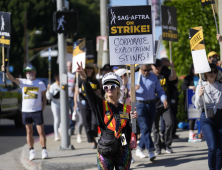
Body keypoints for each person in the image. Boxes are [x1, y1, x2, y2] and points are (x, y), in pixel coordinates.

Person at [76, 62, 138, 170]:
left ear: (118, 89)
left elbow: (129, 130)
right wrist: (84, 78)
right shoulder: (101, 105)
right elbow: (90, 95)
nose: (109, 88)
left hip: (123, 148)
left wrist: (134, 120)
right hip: (105, 148)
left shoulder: (126, 108)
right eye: (106, 87)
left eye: (112, 86)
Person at [1, 64, 48, 161]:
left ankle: (44, 150)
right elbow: (11, 78)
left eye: (30, 71)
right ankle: (32, 151)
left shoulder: (40, 83)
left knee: (41, 131)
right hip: (26, 111)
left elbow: (44, 97)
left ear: (35, 72)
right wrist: (6, 71)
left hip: (37, 111)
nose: (28, 73)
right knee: (29, 131)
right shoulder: (23, 81)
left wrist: (42, 108)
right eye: (27, 71)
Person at [135, 64, 167, 161]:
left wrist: (164, 99)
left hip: (152, 104)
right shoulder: (134, 76)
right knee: (144, 128)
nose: (147, 72)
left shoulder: (153, 77)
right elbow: (128, 92)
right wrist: (133, 90)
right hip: (140, 104)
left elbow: (159, 90)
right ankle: (150, 151)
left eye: (149, 70)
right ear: (141, 69)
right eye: (145, 70)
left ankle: (140, 148)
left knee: (148, 129)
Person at [195, 63, 222, 169]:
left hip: (219, 118)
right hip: (206, 119)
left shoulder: (220, 86)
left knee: (220, 149)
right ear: (205, 73)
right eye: (210, 71)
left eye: (215, 71)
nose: (212, 74)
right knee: (212, 147)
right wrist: (200, 96)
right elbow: (197, 105)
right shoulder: (201, 85)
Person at [74, 63, 102, 148]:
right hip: (84, 104)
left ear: (93, 70)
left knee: (94, 123)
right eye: (88, 68)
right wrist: (75, 104)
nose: (89, 69)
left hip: (93, 104)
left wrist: (101, 103)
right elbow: (76, 93)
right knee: (86, 124)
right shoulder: (80, 79)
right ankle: (92, 141)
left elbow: (98, 93)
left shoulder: (95, 81)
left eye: (91, 68)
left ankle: (94, 137)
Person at [151, 59, 175, 155]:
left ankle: (167, 144)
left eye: (159, 66)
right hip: (154, 105)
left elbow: (173, 78)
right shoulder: (149, 77)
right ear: (152, 67)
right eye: (156, 66)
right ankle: (157, 147)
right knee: (155, 128)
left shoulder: (164, 74)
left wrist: (172, 67)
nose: (158, 68)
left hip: (165, 104)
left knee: (170, 123)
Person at [182, 64, 202, 142]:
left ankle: (200, 133)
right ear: (192, 69)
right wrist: (190, 87)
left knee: (201, 117)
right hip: (191, 101)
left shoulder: (202, 77)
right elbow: (183, 87)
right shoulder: (188, 78)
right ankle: (191, 135)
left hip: (200, 100)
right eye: (194, 69)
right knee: (192, 118)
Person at [46, 72, 61, 141]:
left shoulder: (63, 85)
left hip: (62, 104)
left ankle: (60, 129)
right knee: (57, 119)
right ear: (55, 78)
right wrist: (48, 90)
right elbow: (48, 97)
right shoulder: (52, 86)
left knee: (62, 119)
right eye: (56, 77)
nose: (57, 78)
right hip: (55, 104)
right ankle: (56, 135)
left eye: (58, 76)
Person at [67, 61, 76, 135]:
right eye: (68, 66)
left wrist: (74, 88)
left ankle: (72, 127)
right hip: (66, 97)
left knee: (73, 114)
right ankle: (67, 127)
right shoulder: (65, 74)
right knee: (67, 114)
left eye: (70, 66)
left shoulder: (75, 75)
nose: (69, 68)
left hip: (73, 98)